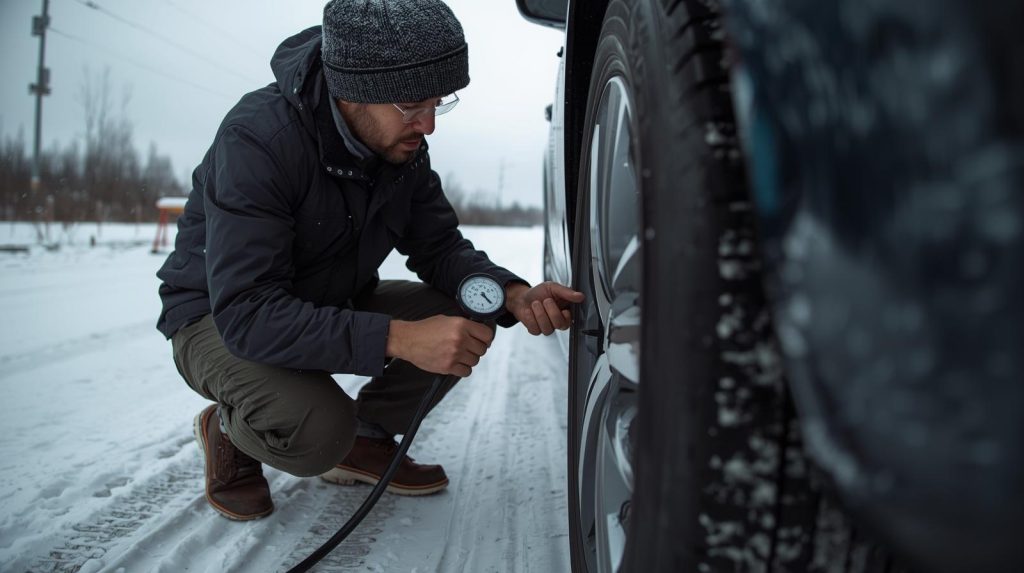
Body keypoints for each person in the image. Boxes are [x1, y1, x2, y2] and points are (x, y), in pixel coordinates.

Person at [155, 0, 583, 521]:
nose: (428, 125)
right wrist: (398, 339)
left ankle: (366, 437)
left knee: (469, 312)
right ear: (353, 90)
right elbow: (248, 311)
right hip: (217, 318)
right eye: (410, 104)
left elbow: (440, 247)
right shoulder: (259, 141)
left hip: (321, 296)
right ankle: (230, 431)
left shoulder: (398, 147)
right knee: (316, 434)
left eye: (439, 102)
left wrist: (511, 294)